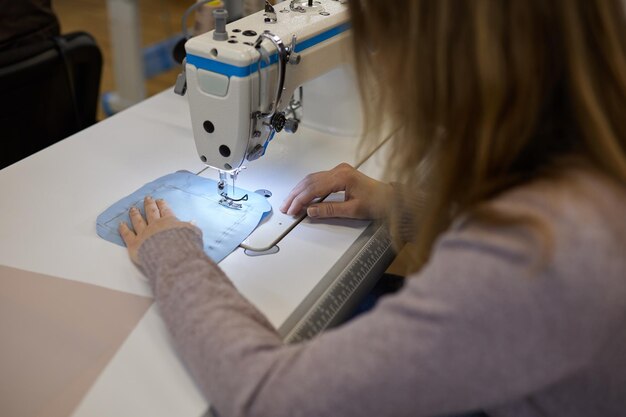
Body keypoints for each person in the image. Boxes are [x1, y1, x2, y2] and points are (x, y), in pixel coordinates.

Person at [119, 1, 626, 416]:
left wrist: (174, 256)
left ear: (442, 60)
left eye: (384, 46)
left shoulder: (532, 256)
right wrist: (407, 205)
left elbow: (270, 399)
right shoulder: (592, 173)